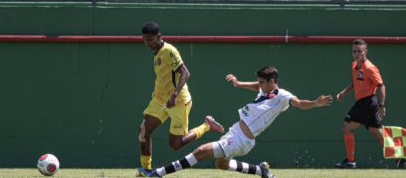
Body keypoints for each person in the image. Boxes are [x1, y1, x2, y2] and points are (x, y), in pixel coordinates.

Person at [138, 66, 333, 177]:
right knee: (221, 164)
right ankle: (260, 170)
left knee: (201, 151)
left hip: (242, 140)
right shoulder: (265, 89)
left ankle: (157, 173)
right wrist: (239, 83)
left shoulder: (283, 95)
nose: (260, 85)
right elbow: (257, 85)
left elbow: (299, 103)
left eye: (263, 82)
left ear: (273, 80)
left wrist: (315, 103)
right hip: (235, 132)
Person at [138, 21, 224, 175]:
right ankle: (146, 169)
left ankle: (206, 125)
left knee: (175, 144)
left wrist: (175, 94)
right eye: (145, 39)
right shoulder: (157, 52)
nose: (147, 43)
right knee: (144, 130)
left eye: (150, 39)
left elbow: (185, 73)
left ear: (159, 36)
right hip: (160, 99)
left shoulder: (169, 51)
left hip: (178, 101)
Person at [335, 39, 405, 169]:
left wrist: (382, 105)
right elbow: (354, 83)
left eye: (360, 51)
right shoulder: (354, 65)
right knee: (378, 135)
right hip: (366, 104)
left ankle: (350, 161)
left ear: (365, 52)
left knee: (346, 127)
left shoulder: (370, 67)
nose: (356, 54)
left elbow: (382, 86)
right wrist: (344, 92)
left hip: (367, 103)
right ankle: (399, 158)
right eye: (354, 51)